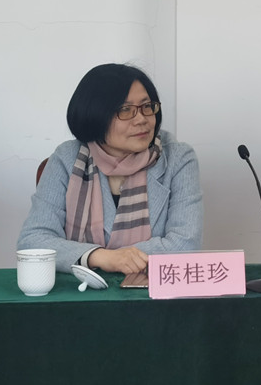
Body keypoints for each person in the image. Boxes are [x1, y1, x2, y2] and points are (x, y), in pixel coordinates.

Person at [18, 63, 203, 274]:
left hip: (152, 291)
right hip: (81, 290)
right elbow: (32, 241)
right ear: (95, 115)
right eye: (125, 110)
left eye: (146, 106)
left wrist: (113, 258)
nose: (141, 119)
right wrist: (101, 257)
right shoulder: (67, 158)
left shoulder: (177, 158)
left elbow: (186, 245)